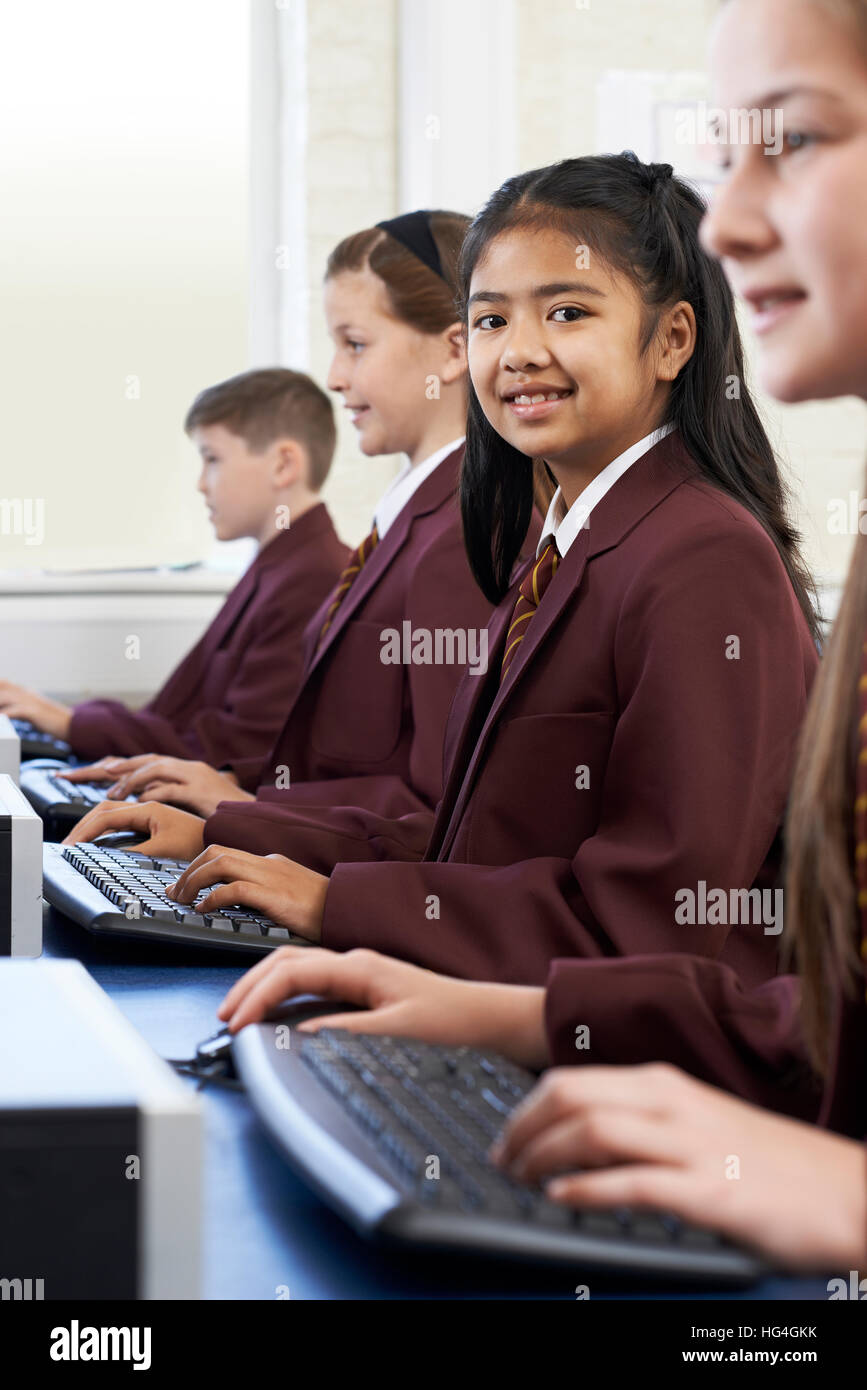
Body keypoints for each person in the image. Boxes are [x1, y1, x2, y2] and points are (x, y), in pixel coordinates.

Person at [221, 0, 867, 1273]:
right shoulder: (557, 538)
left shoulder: (703, 562)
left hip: (694, 1109)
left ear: (675, 339)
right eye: (496, 318)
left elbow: (667, 916)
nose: (516, 353)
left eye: (566, 312)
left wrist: (350, 904)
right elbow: (467, 827)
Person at [64, 211, 499, 848]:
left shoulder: (460, 535)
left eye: (355, 344)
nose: (334, 377)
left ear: (454, 350)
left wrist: (236, 809)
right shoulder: (410, 520)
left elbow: (433, 805)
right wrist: (235, 795)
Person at [0, 368, 348, 771]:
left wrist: (74, 723)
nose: (201, 484)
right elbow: (177, 718)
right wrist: (67, 718)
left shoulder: (313, 576)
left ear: (283, 464)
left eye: (212, 459)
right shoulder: (278, 566)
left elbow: (237, 750)